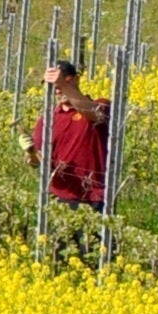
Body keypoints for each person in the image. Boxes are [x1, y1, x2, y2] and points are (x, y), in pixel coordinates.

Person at [28, 55, 109, 259]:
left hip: (93, 198)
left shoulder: (99, 105)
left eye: (62, 81)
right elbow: (37, 162)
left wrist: (65, 88)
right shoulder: (47, 120)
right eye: (53, 85)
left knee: (92, 258)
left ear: (76, 79)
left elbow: (94, 114)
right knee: (58, 259)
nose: (57, 90)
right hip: (59, 198)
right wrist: (30, 153)